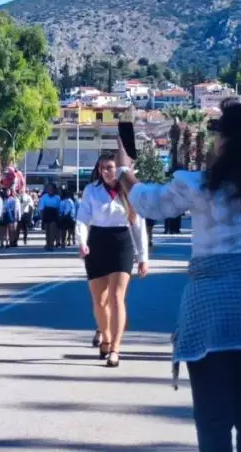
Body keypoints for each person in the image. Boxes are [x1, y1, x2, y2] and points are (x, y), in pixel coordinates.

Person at [122, 101, 241, 451]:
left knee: (213, 419)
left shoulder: (199, 186)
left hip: (209, 311)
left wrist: (126, 172)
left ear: (223, 141)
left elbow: (149, 203)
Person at [76, 154, 148, 368]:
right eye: (103, 168)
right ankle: (106, 338)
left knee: (117, 296)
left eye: (111, 167)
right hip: (97, 242)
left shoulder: (130, 191)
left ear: (120, 169)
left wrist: (143, 257)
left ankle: (115, 348)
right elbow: (82, 218)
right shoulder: (91, 190)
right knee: (100, 300)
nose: (107, 172)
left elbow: (138, 226)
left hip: (122, 242)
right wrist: (82, 241)